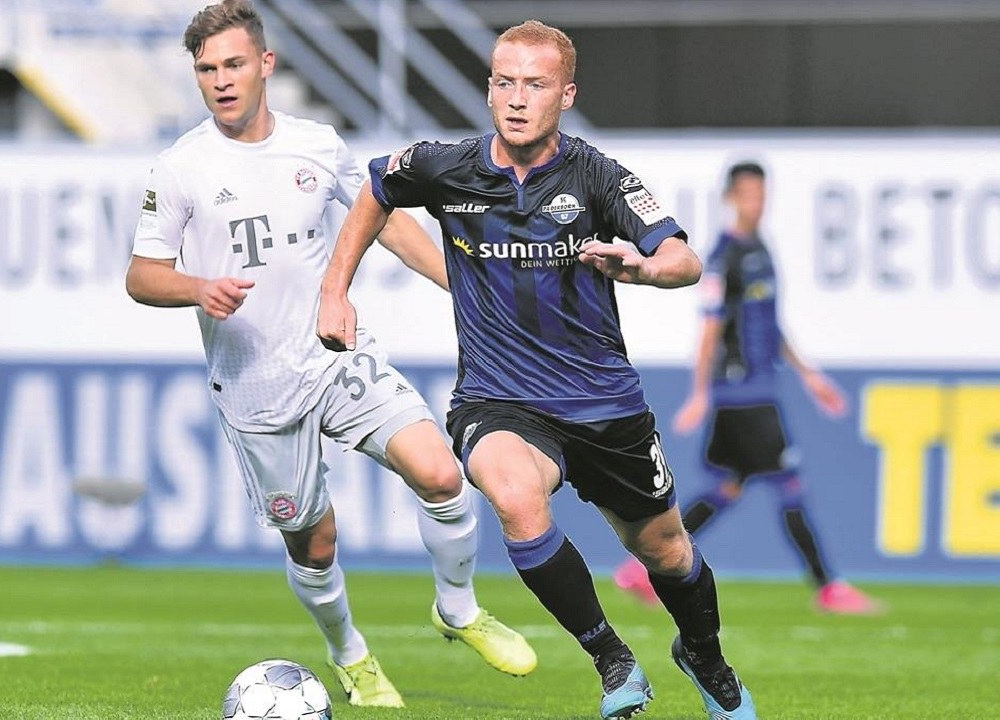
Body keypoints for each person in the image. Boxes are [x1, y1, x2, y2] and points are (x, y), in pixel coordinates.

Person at [318, 19, 757, 720]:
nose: (518, 98)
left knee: (667, 551)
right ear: (489, 89)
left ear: (566, 95)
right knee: (516, 498)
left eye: (536, 84)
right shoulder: (444, 165)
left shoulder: (599, 176)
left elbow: (685, 259)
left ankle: (704, 654)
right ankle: (612, 660)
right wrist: (335, 290)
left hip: (604, 403)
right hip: (499, 399)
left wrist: (641, 267)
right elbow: (377, 189)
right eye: (505, 82)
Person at [124, 0, 535, 709]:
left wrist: (461, 285)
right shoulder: (182, 167)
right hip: (255, 384)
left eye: (233, 64)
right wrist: (196, 287)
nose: (221, 80)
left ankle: (459, 608)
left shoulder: (316, 144)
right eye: (207, 70)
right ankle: (351, 656)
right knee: (314, 544)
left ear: (266, 64)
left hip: (335, 353)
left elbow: (385, 222)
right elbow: (140, 275)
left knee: (441, 472)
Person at [613, 161, 882, 615]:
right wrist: (700, 392)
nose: (757, 204)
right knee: (790, 484)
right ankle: (829, 587)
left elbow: (770, 323)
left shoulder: (761, 248)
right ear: (731, 199)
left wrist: (809, 375)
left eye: (762, 194)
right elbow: (710, 329)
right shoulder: (726, 257)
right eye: (749, 195)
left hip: (760, 387)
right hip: (742, 394)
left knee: (726, 487)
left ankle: (640, 570)